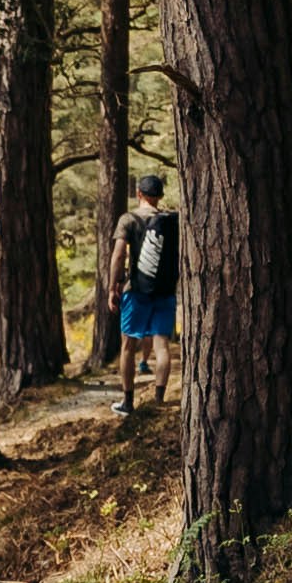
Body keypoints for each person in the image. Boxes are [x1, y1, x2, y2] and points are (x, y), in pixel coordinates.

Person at [107, 173, 179, 418]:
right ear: (159, 196)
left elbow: (118, 255)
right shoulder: (172, 220)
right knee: (162, 346)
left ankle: (128, 402)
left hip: (136, 292)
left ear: (139, 193)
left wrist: (113, 287)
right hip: (165, 292)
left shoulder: (129, 219)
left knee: (128, 345)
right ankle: (159, 399)